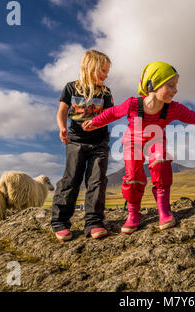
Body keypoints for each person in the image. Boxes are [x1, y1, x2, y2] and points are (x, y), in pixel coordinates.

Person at [82, 61, 195, 234]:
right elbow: (112, 113)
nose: (175, 90)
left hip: (156, 140)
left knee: (161, 157)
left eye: (176, 86)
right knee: (133, 176)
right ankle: (133, 213)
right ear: (152, 86)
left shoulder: (174, 109)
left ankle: (164, 209)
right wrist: (95, 122)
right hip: (132, 141)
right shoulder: (133, 104)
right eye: (170, 85)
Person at [51, 50, 114, 241]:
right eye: (103, 70)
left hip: (99, 143)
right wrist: (62, 128)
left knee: (97, 181)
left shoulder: (106, 92)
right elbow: (61, 112)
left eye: (107, 71)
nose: (106, 75)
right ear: (90, 68)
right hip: (75, 141)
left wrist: (97, 123)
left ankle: (94, 223)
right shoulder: (71, 88)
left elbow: (110, 116)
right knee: (71, 180)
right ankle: (60, 222)